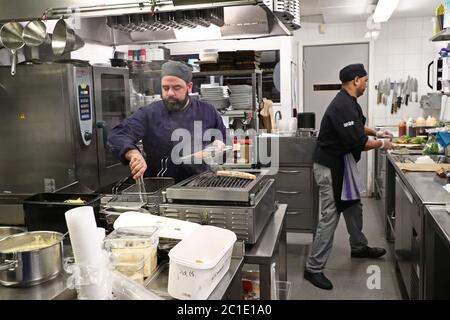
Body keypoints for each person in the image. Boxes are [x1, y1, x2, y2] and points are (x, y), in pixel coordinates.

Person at [303, 63, 393, 290]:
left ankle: (358, 246)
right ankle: (313, 268)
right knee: (330, 216)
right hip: (330, 167)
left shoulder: (350, 102)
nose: (366, 84)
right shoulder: (342, 105)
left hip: (343, 164)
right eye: (364, 79)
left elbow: (357, 128)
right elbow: (358, 142)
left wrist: (377, 132)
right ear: (355, 80)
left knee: (354, 206)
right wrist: (383, 143)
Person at [107, 60, 227, 182]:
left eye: (176, 88)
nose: (170, 93)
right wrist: (133, 154)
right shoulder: (149, 113)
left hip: (201, 183)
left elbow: (222, 139)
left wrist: (218, 145)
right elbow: (118, 135)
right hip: (160, 186)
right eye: (165, 88)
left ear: (189, 87)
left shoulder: (207, 111)